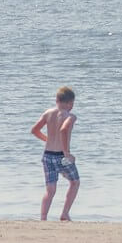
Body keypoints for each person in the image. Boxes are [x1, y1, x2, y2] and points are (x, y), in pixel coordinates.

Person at [29, 86, 80, 221]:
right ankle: (65, 213)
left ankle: (43, 218)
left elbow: (34, 130)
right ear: (70, 103)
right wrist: (66, 152)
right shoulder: (70, 116)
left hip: (47, 155)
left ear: (57, 100)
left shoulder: (48, 113)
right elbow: (63, 130)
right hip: (61, 156)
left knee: (50, 190)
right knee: (75, 182)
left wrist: (48, 139)